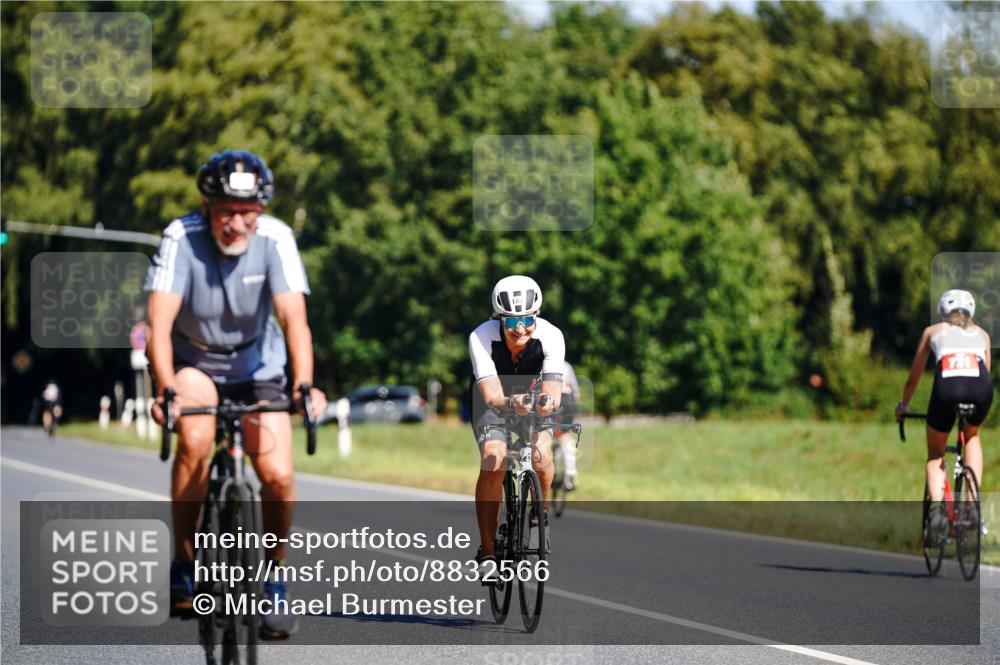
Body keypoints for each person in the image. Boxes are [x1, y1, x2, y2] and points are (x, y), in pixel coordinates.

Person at [144, 149, 327, 638]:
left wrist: (304, 385)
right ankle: (185, 566)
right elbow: (158, 327)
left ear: (261, 210)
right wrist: (165, 388)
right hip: (194, 361)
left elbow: (294, 321)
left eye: (247, 212)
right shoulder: (181, 237)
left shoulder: (276, 238)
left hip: (255, 362)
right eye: (226, 210)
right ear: (207, 207)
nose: (236, 223)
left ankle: (274, 576)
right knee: (197, 441)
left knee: (279, 474)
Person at [468, 275, 565, 572]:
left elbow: (553, 393)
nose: (519, 328)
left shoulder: (551, 336)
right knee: (493, 459)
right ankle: (487, 551)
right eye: (511, 322)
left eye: (526, 320)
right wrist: (513, 403)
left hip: (534, 402)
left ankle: (539, 514)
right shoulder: (481, 337)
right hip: (494, 405)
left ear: (536, 315)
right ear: (499, 318)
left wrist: (543, 403)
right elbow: (491, 394)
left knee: (542, 455)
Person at [895, 289, 992, 546]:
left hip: (947, 388)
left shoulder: (933, 332)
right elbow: (986, 373)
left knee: (936, 454)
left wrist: (903, 405)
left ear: (942, 312)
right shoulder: (982, 335)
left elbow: (914, 376)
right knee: (972, 436)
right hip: (981, 390)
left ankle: (937, 513)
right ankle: (971, 507)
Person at [556, 360, 580, 491]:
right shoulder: (567, 365)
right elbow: (576, 393)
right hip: (569, 401)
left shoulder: (540, 362)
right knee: (566, 435)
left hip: (554, 399)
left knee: (543, 434)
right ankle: (571, 470)